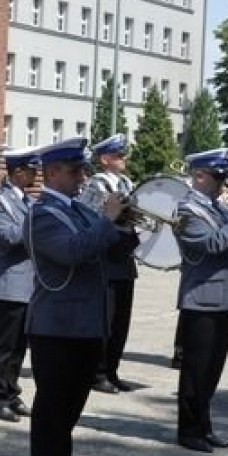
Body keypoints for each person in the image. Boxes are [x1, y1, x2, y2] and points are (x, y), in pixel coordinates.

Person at [25, 139, 126, 456]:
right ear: (52, 173)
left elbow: (108, 246)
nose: (82, 177)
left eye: (82, 169)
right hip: (56, 324)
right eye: (75, 170)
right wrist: (108, 220)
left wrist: (127, 229)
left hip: (85, 322)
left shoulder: (80, 211)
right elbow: (72, 252)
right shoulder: (43, 214)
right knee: (53, 405)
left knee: (72, 404)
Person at [173, 148, 228, 453]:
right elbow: (213, 244)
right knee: (196, 369)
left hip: (225, 296)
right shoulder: (186, 211)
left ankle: (204, 425)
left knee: (213, 369)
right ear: (199, 176)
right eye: (218, 177)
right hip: (203, 297)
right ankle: (188, 430)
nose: (223, 184)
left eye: (224, 177)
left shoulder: (218, 208)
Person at [0, 148, 37, 422]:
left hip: (29, 285)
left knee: (20, 346)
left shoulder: (28, 201)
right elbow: (4, 237)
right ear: (18, 171)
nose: (35, 175)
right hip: (11, 283)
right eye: (31, 170)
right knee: (5, 345)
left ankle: (11, 392)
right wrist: (36, 225)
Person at [87, 134, 139, 392]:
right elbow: (95, 217)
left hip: (125, 260)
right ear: (105, 159)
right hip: (106, 260)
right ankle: (97, 373)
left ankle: (113, 370)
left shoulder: (127, 183)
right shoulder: (96, 185)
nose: (124, 159)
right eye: (119, 155)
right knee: (105, 322)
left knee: (121, 321)